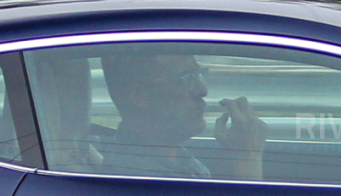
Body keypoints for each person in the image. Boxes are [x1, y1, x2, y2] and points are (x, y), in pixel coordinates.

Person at [95, 47, 266, 179]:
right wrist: (248, 159)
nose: (202, 90)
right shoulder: (141, 180)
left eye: (199, 74)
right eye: (186, 78)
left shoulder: (171, 160)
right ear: (140, 96)